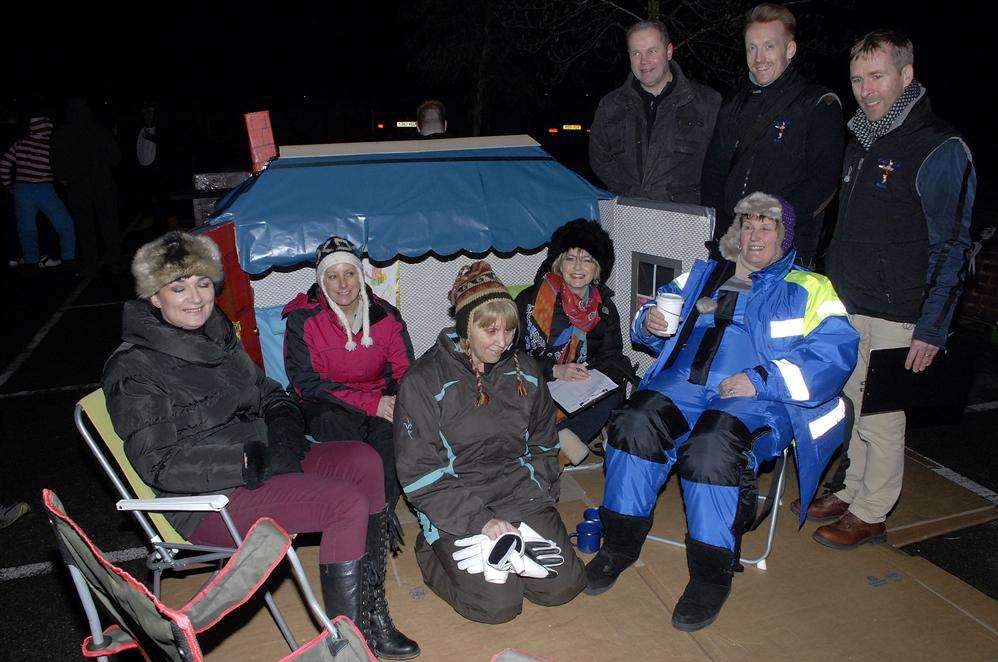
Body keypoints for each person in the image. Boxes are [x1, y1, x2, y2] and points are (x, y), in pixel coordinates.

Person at [102, 231, 419, 659]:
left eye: (202, 284)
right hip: (212, 497)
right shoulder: (134, 366)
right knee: (344, 502)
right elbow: (158, 463)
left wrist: (284, 436)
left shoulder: (217, 336)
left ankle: (372, 611)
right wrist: (249, 461)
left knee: (364, 461)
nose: (195, 298)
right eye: (178, 288)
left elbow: (269, 392)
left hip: (264, 459)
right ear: (154, 298)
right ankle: (349, 642)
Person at [585, 193, 858, 631]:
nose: (753, 236)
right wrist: (648, 322)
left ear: (784, 236)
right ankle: (619, 544)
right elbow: (651, 313)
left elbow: (836, 353)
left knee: (712, 447)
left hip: (756, 398)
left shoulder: (810, 288)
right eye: (747, 226)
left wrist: (763, 379)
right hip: (686, 385)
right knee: (635, 421)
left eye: (765, 228)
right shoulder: (704, 274)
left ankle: (710, 575)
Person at [811, 31, 976, 549]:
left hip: (898, 311)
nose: (865, 89)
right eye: (857, 79)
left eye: (877, 76)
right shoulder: (862, 139)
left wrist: (932, 328)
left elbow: (954, 246)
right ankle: (853, 490)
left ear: (907, 76)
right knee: (853, 405)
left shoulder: (939, 146)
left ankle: (873, 511)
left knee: (882, 417)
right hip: (852, 302)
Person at [395, 261, 586, 624]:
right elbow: (418, 472)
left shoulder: (526, 372)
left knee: (564, 586)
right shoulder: (423, 381)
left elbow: (545, 443)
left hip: (518, 493)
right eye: (490, 331)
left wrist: (538, 494)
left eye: (510, 331)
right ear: (467, 326)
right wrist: (482, 522)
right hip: (459, 502)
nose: (503, 342)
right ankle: (433, 551)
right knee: (499, 606)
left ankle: (507, 551)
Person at [283, 235, 414, 554]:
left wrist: (400, 403)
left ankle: (376, 519)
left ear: (361, 275)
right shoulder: (304, 320)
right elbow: (306, 384)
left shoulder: (386, 316)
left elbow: (406, 371)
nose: (342, 284)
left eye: (349, 273)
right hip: (327, 404)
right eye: (332, 275)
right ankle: (354, 519)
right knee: (344, 438)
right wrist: (373, 403)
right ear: (321, 280)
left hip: (380, 399)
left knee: (391, 439)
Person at [701, 3, 844, 268]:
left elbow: (823, 182)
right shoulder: (734, 105)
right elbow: (713, 174)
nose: (759, 58)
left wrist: (770, 223)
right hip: (732, 250)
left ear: (789, 50)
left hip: (785, 254)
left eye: (769, 46)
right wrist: (722, 229)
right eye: (751, 48)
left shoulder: (816, 105)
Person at [515, 219, 633, 464]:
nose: (578, 267)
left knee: (615, 392)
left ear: (598, 268)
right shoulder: (531, 300)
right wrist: (555, 370)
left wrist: (592, 376)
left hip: (577, 390)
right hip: (535, 382)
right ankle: (552, 442)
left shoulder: (605, 309)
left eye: (587, 259)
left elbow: (612, 355)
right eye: (570, 258)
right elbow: (511, 355)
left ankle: (560, 441)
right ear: (559, 263)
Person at [589, 20, 720, 203]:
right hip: (627, 215)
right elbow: (598, 158)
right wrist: (629, 191)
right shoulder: (610, 106)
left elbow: (720, 166)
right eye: (636, 53)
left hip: (685, 219)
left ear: (668, 51)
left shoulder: (707, 103)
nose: (644, 61)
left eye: (652, 51)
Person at [52, 98, 122, 269]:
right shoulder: (98, 130)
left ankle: (90, 262)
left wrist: (65, 177)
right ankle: (114, 259)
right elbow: (116, 157)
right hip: (102, 184)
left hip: (77, 187)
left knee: (85, 227)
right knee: (108, 224)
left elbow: (56, 164)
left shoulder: (62, 134)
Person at [1, 116, 76, 268]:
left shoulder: (19, 144)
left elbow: (4, 164)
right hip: (44, 189)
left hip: (22, 191)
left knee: (27, 230)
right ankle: (68, 258)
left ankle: (31, 262)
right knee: (65, 224)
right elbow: (60, 167)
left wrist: (9, 185)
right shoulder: (50, 146)